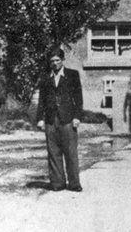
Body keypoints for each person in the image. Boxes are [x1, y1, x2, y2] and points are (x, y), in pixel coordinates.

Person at [36, 49, 83, 192]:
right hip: (51, 119)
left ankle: (74, 183)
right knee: (53, 152)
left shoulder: (72, 75)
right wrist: (40, 119)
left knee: (70, 152)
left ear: (62, 60)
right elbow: (42, 100)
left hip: (68, 119)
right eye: (52, 61)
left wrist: (77, 117)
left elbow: (78, 98)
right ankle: (57, 183)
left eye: (57, 60)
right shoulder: (45, 78)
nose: (55, 63)